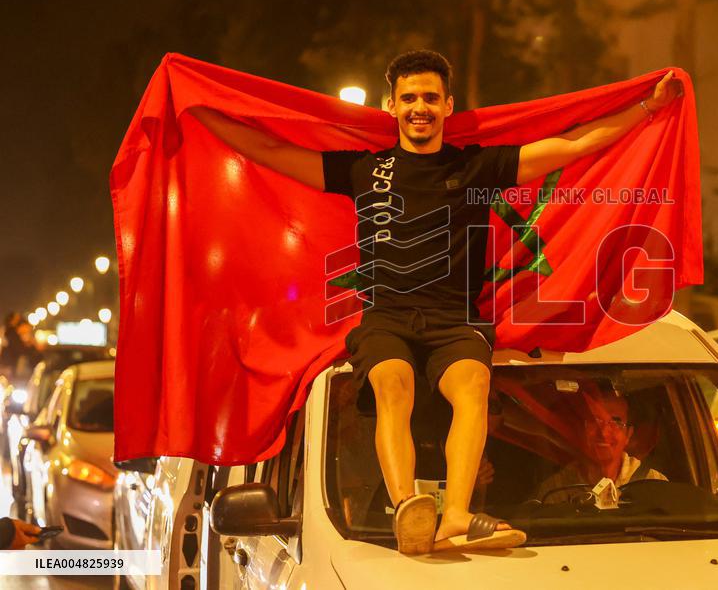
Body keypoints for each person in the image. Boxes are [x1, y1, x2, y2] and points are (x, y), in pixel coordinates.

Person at [191, 50, 682, 554]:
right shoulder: (366, 171)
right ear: (391, 106)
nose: (418, 107)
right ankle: (409, 509)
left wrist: (647, 107)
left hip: (455, 320)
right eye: (408, 98)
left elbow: (572, 144)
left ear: (448, 105)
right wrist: (198, 108)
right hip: (387, 318)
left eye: (429, 97)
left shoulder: (477, 167)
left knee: (473, 386)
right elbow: (269, 149)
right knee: (394, 385)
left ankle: (455, 517)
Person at [537, 387, 666, 500]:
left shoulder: (654, 483)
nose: (604, 433)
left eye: (615, 423)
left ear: (628, 434)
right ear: (583, 430)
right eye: (595, 421)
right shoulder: (555, 490)